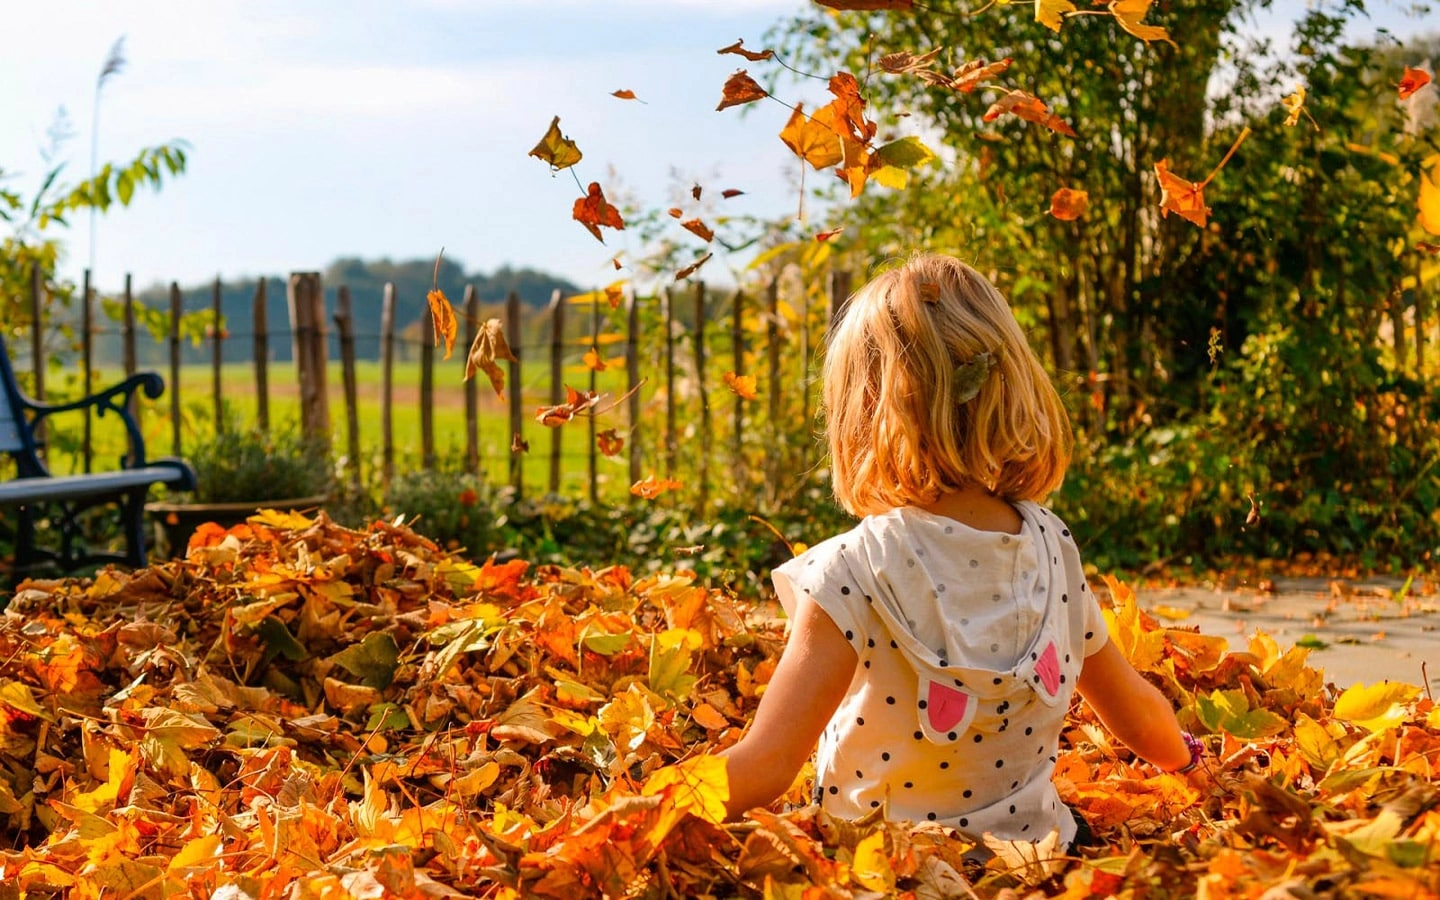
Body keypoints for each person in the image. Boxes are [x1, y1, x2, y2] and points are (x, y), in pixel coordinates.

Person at [721, 253, 1197, 844]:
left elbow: (767, 764)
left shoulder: (852, 571)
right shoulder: (1051, 546)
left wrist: (643, 810)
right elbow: (1139, 717)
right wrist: (1191, 761)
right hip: (1039, 861)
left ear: (864, 412)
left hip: (886, 868)